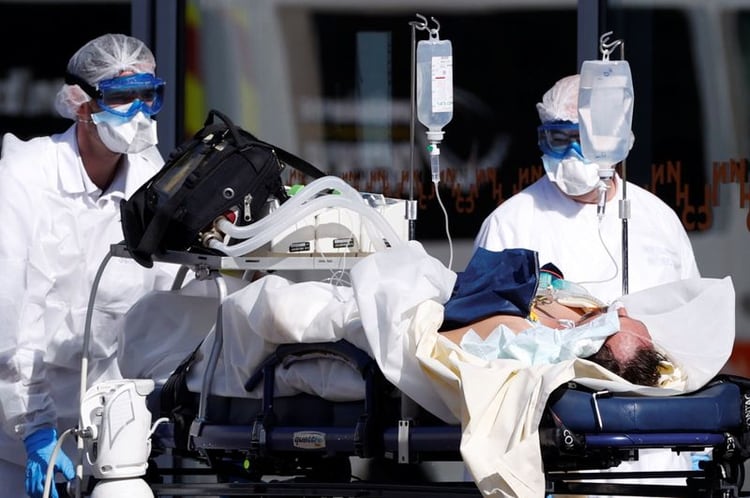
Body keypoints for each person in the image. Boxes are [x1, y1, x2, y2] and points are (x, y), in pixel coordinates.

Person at [473, 74, 702, 495]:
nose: (574, 153)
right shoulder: (512, 225)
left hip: (659, 458)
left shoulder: (657, 222)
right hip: (556, 454)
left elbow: (691, 338)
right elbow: (483, 342)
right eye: (560, 138)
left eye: (588, 139)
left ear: (617, 141)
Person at [0, 34, 180, 498]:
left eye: (149, 95)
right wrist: (33, 427)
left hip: (108, 431)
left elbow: (169, 302)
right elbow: (10, 316)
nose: (138, 112)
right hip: (15, 432)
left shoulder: (148, 179)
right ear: (81, 105)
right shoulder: (26, 174)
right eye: (121, 98)